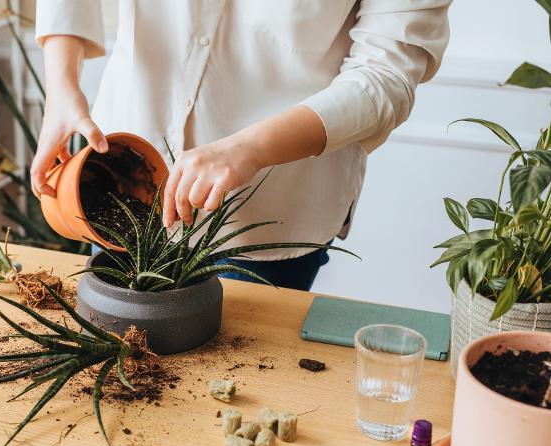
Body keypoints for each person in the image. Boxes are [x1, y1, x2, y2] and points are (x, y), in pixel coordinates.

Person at [32, 0, 452, 291]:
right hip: (120, 175)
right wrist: (62, 86)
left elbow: (387, 76)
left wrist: (250, 148)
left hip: (268, 205)